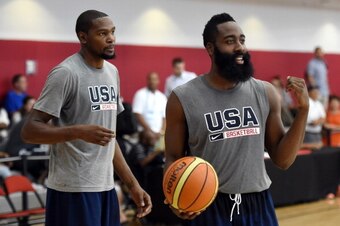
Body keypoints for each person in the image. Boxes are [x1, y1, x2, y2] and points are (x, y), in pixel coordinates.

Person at [164, 13, 309, 226]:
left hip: (258, 203)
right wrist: (174, 198)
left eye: (242, 40)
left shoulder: (265, 92)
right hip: (207, 205)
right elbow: (173, 157)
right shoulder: (182, 98)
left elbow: (283, 159)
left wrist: (303, 110)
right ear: (211, 48)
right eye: (230, 41)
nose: (240, 47)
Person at [21, 10, 151, 226]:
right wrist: (78, 131)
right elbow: (29, 130)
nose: (111, 38)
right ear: (83, 37)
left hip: (106, 187)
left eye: (112, 32)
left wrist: (132, 184)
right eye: (102, 33)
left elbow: (109, 139)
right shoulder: (66, 73)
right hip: (72, 189)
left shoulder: (112, 72)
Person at [132, 72, 167, 151]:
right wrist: (149, 130)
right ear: (147, 80)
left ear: (158, 81)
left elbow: (164, 117)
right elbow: (137, 114)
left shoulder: (162, 97)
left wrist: (161, 132)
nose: (152, 81)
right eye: (150, 79)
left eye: (154, 79)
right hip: (144, 133)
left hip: (159, 134)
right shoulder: (140, 94)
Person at [301, 86, 325, 150]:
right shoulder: (306, 103)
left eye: (317, 92)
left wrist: (319, 121)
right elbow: (307, 119)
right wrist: (316, 122)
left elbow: (323, 117)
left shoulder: (319, 103)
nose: (317, 94)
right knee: (310, 152)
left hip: (318, 132)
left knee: (319, 151)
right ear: (309, 93)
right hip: (308, 132)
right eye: (315, 92)